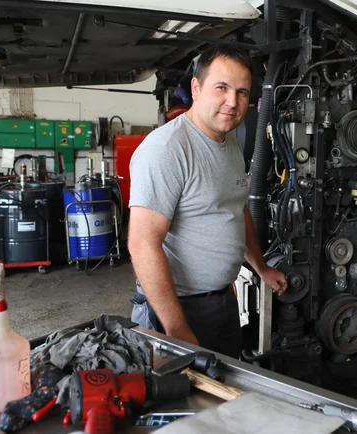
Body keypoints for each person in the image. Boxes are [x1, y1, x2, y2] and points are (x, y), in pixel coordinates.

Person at [127, 45, 288, 358]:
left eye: (242, 92)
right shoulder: (167, 149)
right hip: (178, 308)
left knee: (221, 392)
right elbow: (142, 244)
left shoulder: (227, 143)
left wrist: (260, 268)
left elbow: (235, 210)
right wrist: (177, 329)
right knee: (182, 400)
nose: (233, 102)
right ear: (196, 89)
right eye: (222, 88)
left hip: (223, 301)